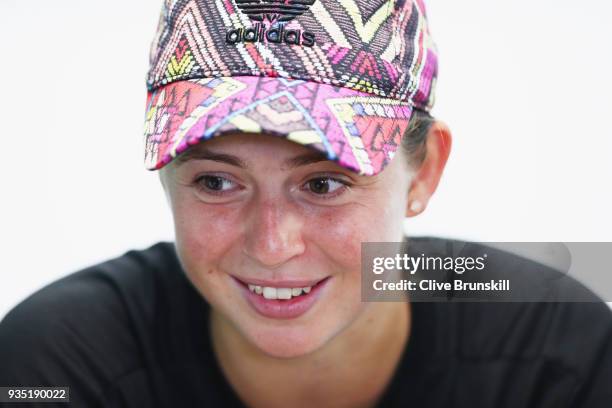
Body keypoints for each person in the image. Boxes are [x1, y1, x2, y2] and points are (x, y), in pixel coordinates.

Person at [1, 0, 611, 407]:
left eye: (324, 183)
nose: (272, 246)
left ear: (423, 170)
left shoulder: (561, 351)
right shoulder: (56, 366)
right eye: (216, 182)